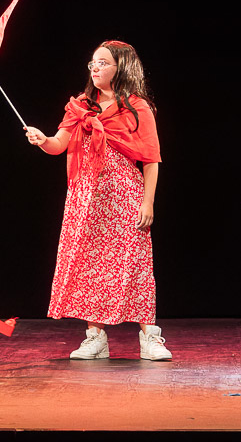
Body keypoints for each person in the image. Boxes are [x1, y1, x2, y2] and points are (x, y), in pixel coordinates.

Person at [23, 40, 169, 361]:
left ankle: (149, 337)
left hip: (124, 196)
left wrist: (148, 202)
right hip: (85, 199)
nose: (95, 68)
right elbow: (58, 145)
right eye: (93, 63)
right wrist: (42, 139)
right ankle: (96, 337)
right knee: (90, 266)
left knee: (135, 263)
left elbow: (152, 159)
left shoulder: (136, 107)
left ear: (122, 68)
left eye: (103, 63)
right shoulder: (79, 107)